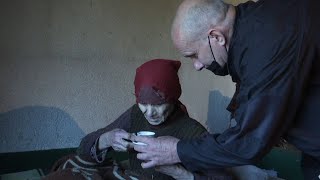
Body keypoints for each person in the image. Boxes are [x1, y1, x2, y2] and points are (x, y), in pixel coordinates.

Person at [132, 0, 320, 179]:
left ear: (216, 37)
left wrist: (176, 151)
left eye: (194, 55)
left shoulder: (268, 45)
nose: (197, 65)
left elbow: (249, 142)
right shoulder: (258, 23)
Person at [44, 59, 233, 180]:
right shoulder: (136, 113)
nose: (149, 113)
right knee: (67, 169)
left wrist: (178, 172)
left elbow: (223, 178)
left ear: (173, 98)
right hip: (130, 176)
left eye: (158, 104)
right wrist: (106, 140)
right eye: (143, 103)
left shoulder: (192, 131)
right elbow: (83, 148)